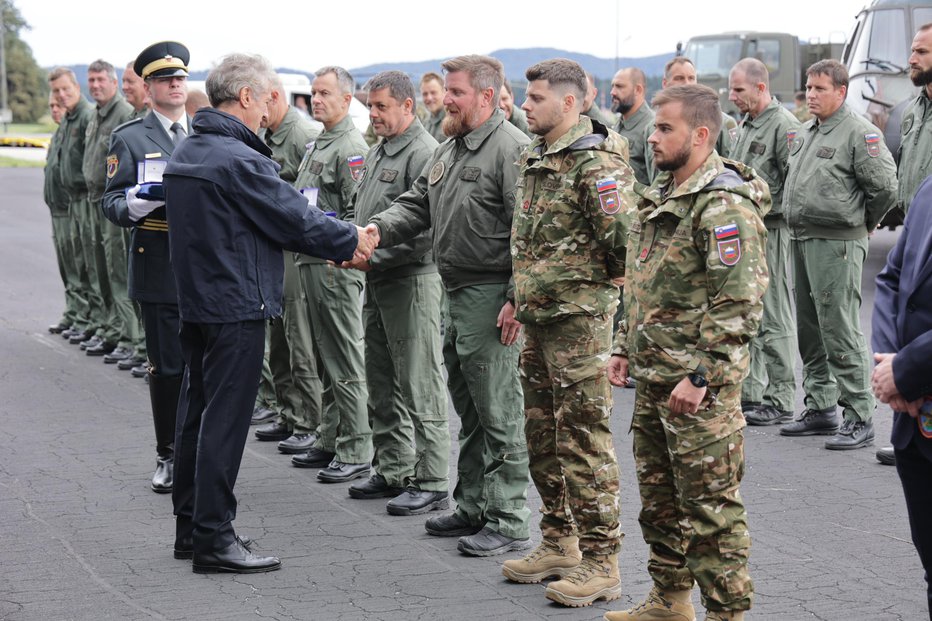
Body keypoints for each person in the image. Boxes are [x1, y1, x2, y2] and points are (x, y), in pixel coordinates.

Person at [163, 52, 374, 574]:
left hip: (198, 302)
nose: (271, 109)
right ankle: (214, 537)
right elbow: (293, 216)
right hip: (235, 305)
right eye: (269, 97)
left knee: (194, 416)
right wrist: (352, 238)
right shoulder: (238, 159)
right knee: (224, 424)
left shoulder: (191, 149)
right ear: (247, 97)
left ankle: (192, 528)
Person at [605, 84, 769, 621]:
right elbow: (641, 281)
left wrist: (702, 376)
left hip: (696, 389)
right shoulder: (663, 194)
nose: (652, 137)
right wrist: (624, 345)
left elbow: (739, 300)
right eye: (653, 127)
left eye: (664, 128)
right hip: (655, 379)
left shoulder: (723, 204)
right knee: (661, 503)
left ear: (700, 135)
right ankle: (670, 601)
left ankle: (727, 614)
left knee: (710, 512)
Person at [368, 54, 532, 557]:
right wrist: (374, 231)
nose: (447, 100)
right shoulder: (451, 147)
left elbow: (528, 234)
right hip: (455, 290)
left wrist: (514, 300)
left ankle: (508, 518)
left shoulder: (512, 150)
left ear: (485, 96)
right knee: (469, 405)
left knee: (499, 411)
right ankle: (474, 504)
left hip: (491, 295)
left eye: (456, 92)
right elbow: (417, 203)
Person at [502, 58, 634, 608]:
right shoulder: (539, 155)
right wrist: (516, 298)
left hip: (580, 325)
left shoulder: (596, 163)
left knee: (583, 442)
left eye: (535, 98)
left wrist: (624, 328)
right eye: (525, 97)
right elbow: (530, 240)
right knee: (542, 439)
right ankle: (559, 541)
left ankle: (603, 561)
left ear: (571, 103)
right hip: (538, 320)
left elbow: (628, 248)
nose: (525, 106)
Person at [341, 70, 451, 516]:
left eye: (382, 106)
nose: (374, 114)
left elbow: (427, 231)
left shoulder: (424, 152)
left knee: (419, 381)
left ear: (409, 106)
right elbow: (361, 210)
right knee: (382, 379)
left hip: (411, 282)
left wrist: (371, 258)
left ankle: (432, 478)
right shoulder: (377, 152)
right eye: (370, 106)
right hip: (379, 281)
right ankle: (394, 466)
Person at [779, 60, 897, 450]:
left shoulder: (859, 133)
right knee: (810, 330)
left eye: (820, 89)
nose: (811, 95)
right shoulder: (806, 131)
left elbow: (884, 188)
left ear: (841, 91)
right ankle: (821, 407)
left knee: (839, 327)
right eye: (808, 88)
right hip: (802, 238)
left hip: (837, 243)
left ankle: (859, 415)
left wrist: (864, 223)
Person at [102, 42, 192, 494]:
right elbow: (111, 201)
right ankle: (168, 454)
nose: (176, 85)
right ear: (150, 88)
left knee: (205, 367)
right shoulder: (131, 136)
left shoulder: (203, 135)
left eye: (181, 78)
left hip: (203, 267)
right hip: (158, 263)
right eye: (166, 79)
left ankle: (198, 451)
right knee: (168, 368)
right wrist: (136, 203)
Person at [286, 66, 373, 484]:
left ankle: (356, 446)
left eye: (324, 93)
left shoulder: (351, 147)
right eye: (314, 93)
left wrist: (338, 251)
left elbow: (359, 212)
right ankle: (332, 434)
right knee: (324, 354)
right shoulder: (319, 141)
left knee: (343, 355)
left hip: (333, 266)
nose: (316, 99)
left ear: (346, 99)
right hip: (311, 260)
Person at [871, 176, 932, 619]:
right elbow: (891, 280)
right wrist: (889, 365)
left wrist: (906, 372)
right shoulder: (929, 187)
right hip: (915, 423)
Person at [727, 58, 801, 426]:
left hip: (770, 229)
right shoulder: (746, 125)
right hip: (747, 228)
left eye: (739, 89)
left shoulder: (784, 126)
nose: (732, 96)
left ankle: (782, 396)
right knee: (750, 310)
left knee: (774, 313)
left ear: (760, 87)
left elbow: (795, 183)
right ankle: (754, 392)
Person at [254, 75, 321, 457]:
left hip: (298, 249)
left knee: (299, 339)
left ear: (274, 98)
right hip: (276, 246)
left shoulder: (301, 133)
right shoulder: (268, 134)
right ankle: (288, 410)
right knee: (278, 335)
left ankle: (309, 420)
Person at [877, 22, 932, 466]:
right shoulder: (912, 109)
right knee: (903, 314)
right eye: (912, 51)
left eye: (921, 52)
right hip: (918, 227)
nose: (911, 60)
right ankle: (909, 412)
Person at [83, 60, 137, 362]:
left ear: (113, 83)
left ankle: (129, 336)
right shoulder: (97, 116)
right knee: (99, 269)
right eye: (90, 80)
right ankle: (112, 328)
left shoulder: (124, 114)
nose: (95, 85)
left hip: (114, 202)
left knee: (118, 272)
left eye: (100, 79)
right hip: (94, 201)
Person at [50, 68, 96, 346]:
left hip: (80, 201)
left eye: (65, 89)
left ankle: (88, 319)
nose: (61, 95)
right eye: (56, 91)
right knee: (70, 265)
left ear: (76, 88)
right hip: (64, 204)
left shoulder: (86, 116)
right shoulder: (67, 119)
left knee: (84, 265)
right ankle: (77, 314)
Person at [44, 93, 85, 336]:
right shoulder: (59, 134)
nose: (54, 110)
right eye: (51, 106)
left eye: (58, 106)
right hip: (57, 208)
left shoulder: (74, 129)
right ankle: (73, 312)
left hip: (71, 207)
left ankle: (82, 316)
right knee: (66, 267)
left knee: (77, 266)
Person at [663, 57, 736, 158]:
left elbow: (733, 168)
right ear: (665, 83)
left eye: (691, 78)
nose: (687, 83)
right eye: (679, 78)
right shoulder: (654, 126)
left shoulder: (721, 122)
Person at [610, 67, 654, 186]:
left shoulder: (651, 128)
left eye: (619, 86)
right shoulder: (618, 125)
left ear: (638, 90)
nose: (612, 92)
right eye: (612, 86)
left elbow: (657, 185)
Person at [420, 72, 446, 143]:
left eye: (433, 93)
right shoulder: (424, 124)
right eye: (425, 94)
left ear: (444, 92)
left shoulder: (453, 122)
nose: (429, 98)